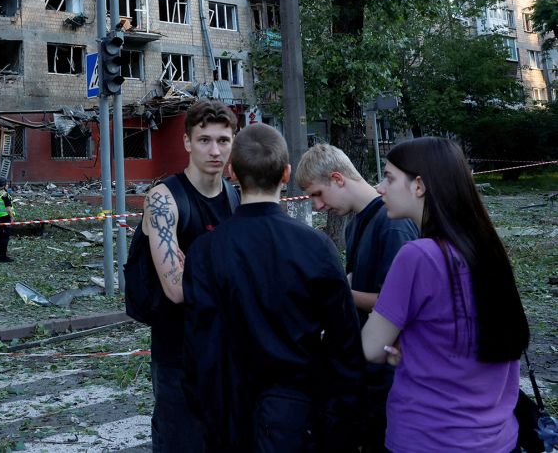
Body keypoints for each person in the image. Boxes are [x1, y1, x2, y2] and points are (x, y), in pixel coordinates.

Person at [185, 124, 364, 452]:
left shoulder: (205, 251)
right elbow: (345, 342)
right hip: (300, 415)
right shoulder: (317, 246)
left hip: (232, 414)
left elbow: (202, 345)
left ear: (232, 172)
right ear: (286, 173)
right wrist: (343, 421)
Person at [362, 137, 529, 453]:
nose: (380, 187)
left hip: (429, 437)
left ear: (419, 186)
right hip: (497, 438)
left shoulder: (417, 256)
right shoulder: (487, 249)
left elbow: (370, 348)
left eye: (389, 177)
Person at [296, 144, 418, 451]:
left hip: (387, 371)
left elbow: (395, 303)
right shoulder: (357, 222)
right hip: (365, 367)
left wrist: (338, 293)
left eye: (317, 194)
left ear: (338, 179)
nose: (317, 207)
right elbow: (359, 280)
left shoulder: (393, 224)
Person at [142, 99, 239, 451]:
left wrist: (197, 267)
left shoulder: (233, 197)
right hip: (178, 357)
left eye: (223, 140)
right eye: (204, 140)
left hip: (226, 351)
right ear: (186, 142)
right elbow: (177, 289)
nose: (215, 151)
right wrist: (227, 275)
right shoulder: (164, 199)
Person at [0, 179, 15, 263]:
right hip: (5, 218)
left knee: (0, 237)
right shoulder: (5, 195)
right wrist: (12, 217)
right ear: (3, 186)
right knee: (5, 238)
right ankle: (3, 257)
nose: (7, 186)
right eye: (6, 184)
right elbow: (8, 208)